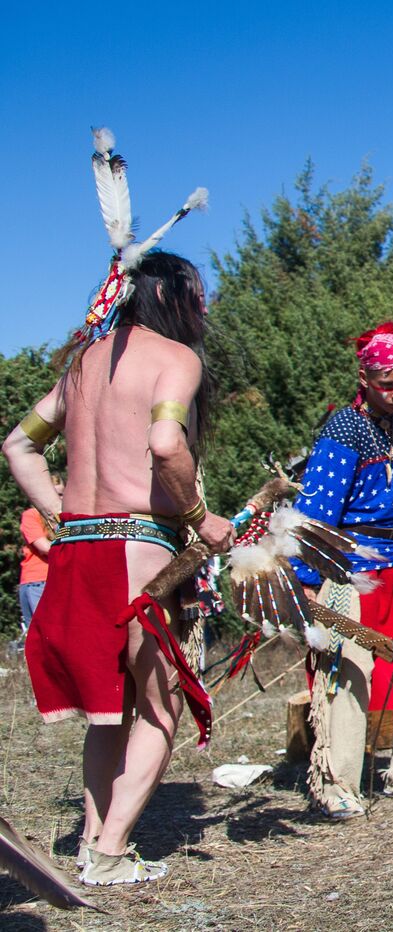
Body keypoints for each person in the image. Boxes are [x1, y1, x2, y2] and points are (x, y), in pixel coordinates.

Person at [1, 128, 232, 885]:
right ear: (176, 299)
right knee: (162, 709)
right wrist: (201, 520)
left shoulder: (81, 365)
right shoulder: (176, 359)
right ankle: (106, 854)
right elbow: (167, 446)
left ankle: (92, 844)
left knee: (109, 711)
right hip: (141, 550)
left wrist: (65, 517)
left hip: (78, 553)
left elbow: (17, 446)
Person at [292, 322, 393, 819]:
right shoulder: (344, 428)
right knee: (354, 668)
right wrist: (307, 580)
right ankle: (337, 783)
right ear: (364, 377)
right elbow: (317, 507)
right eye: (387, 383)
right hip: (350, 565)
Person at [17, 475, 64, 642]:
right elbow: (44, 547)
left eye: (62, 494)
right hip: (38, 581)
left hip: (57, 580)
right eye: (56, 494)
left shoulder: (64, 520)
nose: (60, 499)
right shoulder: (31, 515)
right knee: (43, 636)